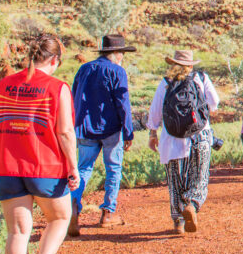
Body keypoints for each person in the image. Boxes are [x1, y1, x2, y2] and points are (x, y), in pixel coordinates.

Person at [0, 33, 79, 254]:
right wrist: (74, 166)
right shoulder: (57, 87)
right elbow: (64, 132)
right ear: (54, 60)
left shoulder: (4, 84)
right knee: (60, 217)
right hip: (45, 166)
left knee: (17, 232)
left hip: (6, 165)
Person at [68, 34, 136, 235]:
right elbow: (123, 103)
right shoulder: (117, 71)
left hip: (84, 127)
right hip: (111, 129)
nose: (122, 57)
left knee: (83, 169)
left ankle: (74, 207)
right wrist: (128, 132)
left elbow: (73, 96)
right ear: (117, 53)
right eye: (122, 53)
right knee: (113, 169)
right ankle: (108, 213)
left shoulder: (84, 69)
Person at [146, 50, 220, 235]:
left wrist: (153, 133)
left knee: (175, 179)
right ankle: (192, 205)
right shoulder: (201, 78)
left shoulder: (166, 83)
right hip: (199, 134)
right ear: (191, 65)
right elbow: (214, 103)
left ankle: (178, 221)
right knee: (200, 177)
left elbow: (155, 111)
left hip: (172, 138)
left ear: (173, 64)